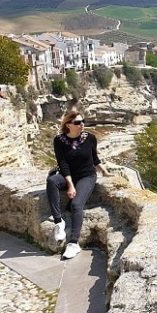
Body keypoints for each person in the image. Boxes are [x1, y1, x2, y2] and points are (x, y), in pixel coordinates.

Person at [46, 108, 111, 259]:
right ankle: (58, 222)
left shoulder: (90, 138)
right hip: (68, 175)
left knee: (76, 205)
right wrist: (70, 184)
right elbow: (62, 163)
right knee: (51, 181)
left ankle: (73, 243)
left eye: (83, 122)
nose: (82, 125)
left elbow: (94, 158)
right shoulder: (59, 140)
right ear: (68, 125)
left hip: (87, 176)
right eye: (77, 122)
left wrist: (105, 172)